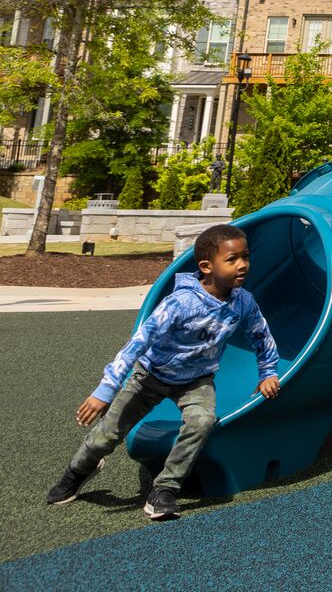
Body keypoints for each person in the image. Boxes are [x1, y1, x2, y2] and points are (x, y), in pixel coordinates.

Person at [45, 223, 282, 521]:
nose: (242, 265)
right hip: (151, 375)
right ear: (206, 267)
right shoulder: (180, 303)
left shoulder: (243, 301)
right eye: (232, 259)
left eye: (246, 257)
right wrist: (105, 390)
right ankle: (78, 471)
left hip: (197, 380)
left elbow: (261, 334)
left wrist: (268, 372)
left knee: (202, 420)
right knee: (106, 436)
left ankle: (165, 489)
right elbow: (138, 343)